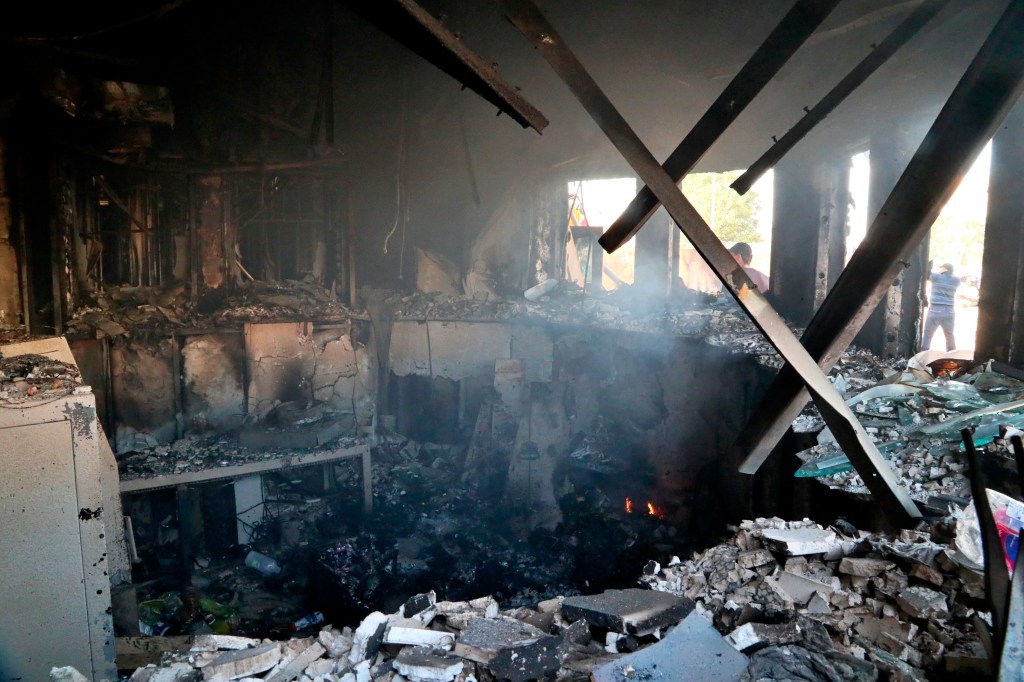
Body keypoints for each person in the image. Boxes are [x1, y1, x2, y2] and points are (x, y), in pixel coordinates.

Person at [920, 262, 960, 351]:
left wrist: (940, 271)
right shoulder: (956, 280)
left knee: (928, 334)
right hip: (950, 311)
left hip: (936, 310)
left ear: (944, 269)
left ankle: (923, 355)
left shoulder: (936, 277)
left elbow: (927, 275)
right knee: (949, 335)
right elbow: (951, 276)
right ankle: (952, 356)